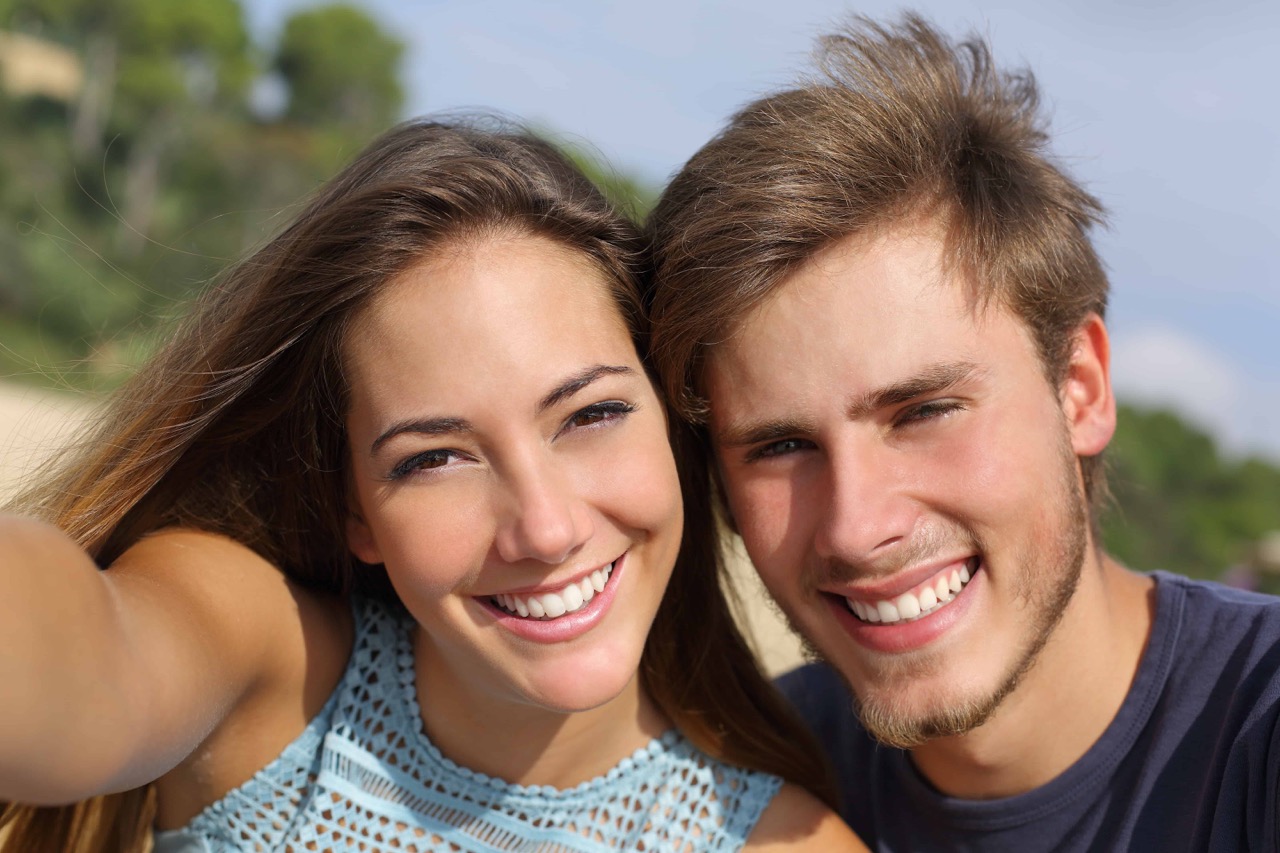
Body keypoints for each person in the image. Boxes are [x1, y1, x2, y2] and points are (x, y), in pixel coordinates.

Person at [0, 119, 865, 852]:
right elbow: (78, 664)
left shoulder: (789, 841)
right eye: (434, 458)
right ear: (356, 507)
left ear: (672, 426)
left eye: (591, 414)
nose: (545, 527)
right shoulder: (269, 670)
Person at [646, 14, 1280, 851]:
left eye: (923, 411)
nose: (857, 526)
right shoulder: (724, 794)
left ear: (1080, 391)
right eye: (781, 446)